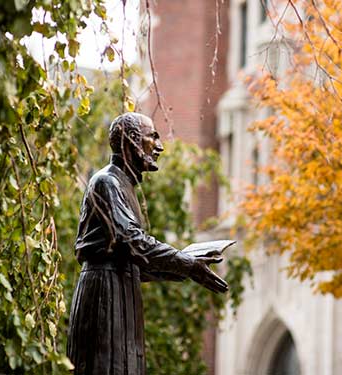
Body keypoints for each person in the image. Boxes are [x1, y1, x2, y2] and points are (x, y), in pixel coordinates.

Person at [66, 112, 228, 375]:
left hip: (123, 291)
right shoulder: (107, 182)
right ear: (131, 140)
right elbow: (132, 242)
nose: (159, 146)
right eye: (152, 137)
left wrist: (186, 267)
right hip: (104, 297)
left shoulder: (124, 184)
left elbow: (133, 258)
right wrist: (184, 263)